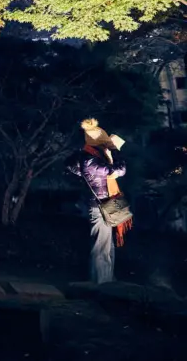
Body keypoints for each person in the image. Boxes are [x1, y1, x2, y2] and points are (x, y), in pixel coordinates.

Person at [65, 118, 129, 284]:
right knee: (101, 248)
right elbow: (120, 170)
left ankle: (107, 281)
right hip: (100, 207)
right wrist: (115, 151)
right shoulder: (90, 161)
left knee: (108, 247)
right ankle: (99, 285)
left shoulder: (93, 157)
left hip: (104, 204)